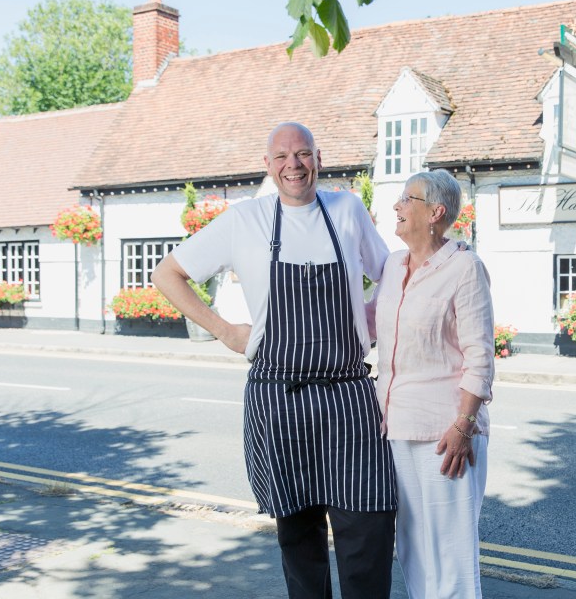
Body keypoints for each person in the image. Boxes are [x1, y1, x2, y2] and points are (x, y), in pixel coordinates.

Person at [152, 122, 397, 599]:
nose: (294, 164)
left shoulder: (347, 210)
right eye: (282, 156)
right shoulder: (246, 220)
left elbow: (390, 276)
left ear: (318, 159)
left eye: (303, 154)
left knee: (368, 527)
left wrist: (368, 319)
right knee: (299, 540)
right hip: (279, 398)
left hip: (349, 394)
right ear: (268, 165)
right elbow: (169, 273)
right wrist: (224, 331)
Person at [369, 169, 495, 599]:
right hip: (396, 428)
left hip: (446, 435)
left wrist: (463, 426)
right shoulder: (392, 265)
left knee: (451, 556)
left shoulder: (464, 268)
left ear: (435, 213)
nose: (398, 206)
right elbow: (368, 324)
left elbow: (479, 355)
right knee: (414, 550)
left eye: (408, 199)